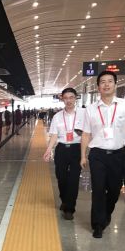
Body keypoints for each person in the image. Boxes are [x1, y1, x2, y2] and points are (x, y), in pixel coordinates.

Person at [80, 71, 125, 238]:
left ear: (115, 84)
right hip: (97, 154)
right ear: (98, 86)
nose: (106, 84)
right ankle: (98, 224)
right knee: (98, 189)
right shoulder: (91, 109)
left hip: (118, 154)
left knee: (114, 190)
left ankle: (106, 213)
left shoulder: (124, 104)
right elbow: (86, 134)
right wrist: (83, 155)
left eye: (110, 81)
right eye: (103, 82)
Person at [43, 88, 84, 220]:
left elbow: (89, 133)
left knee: (73, 179)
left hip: (77, 148)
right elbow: (54, 135)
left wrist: (85, 152)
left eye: (71, 97)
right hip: (61, 149)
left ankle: (69, 209)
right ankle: (64, 200)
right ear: (62, 99)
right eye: (66, 98)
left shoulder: (84, 114)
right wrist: (48, 150)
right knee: (61, 178)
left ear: (76, 98)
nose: (69, 100)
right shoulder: (57, 116)